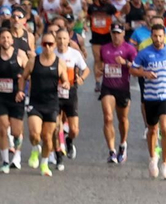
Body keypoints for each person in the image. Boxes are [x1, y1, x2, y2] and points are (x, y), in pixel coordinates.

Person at [130, 21, 166, 180]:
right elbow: (133, 69)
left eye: (161, 36)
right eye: (155, 36)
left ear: (165, 36)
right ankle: (153, 156)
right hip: (150, 96)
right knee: (152, 130)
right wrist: (145, 74)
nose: (158, 39)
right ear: (151, 36)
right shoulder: (144, 53)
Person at [23, 29, 63, 176]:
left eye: (50, 44)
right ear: (41, 44)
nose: (47, 47)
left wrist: (65, 84)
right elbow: (23, 77)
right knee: (35, 134)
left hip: (52, 104)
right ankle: (35, 149)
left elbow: (65, 80)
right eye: (44, 44)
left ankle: (44, 164)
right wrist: (21, 91)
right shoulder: (34, 61)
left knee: (47, 137)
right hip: (35, 102)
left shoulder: (60, 63)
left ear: (54, 45)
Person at [0, 26, 28, 173]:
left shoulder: (20, 55)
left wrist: (21, 87)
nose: (5, 40)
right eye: (3, 37)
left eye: (8, 37)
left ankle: (16, 156)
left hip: (16, 97)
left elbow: (28, 73)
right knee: (2, 128)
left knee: (16, 131)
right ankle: (5, 161)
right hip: (0, 97)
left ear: (12, 40)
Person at [99, 23, 138, 165]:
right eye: (114, 33)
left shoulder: (130, 49)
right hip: (107, 87)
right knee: (108, 117)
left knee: (122, 119)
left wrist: (125, 63)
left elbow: (136, 69)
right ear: (111, 33)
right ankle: (111, 151)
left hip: (122, 88)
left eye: (118, 33)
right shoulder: (104, 49)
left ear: (123, 34)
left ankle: (122, 144)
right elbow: (99, 64)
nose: (116, 36)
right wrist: (100, 69)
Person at [52, 23, 90, 163]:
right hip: (55, 93)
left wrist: (81, 78)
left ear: (69, 40)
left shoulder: (74, 54)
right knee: (57, 125)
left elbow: (86, 70)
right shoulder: (52, 54)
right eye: (59, 38)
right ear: (56, 40)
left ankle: (68, 141)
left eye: (64, 39)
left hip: (71, 93)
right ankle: (58, 155)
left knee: (74, 129)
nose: (61, 41)